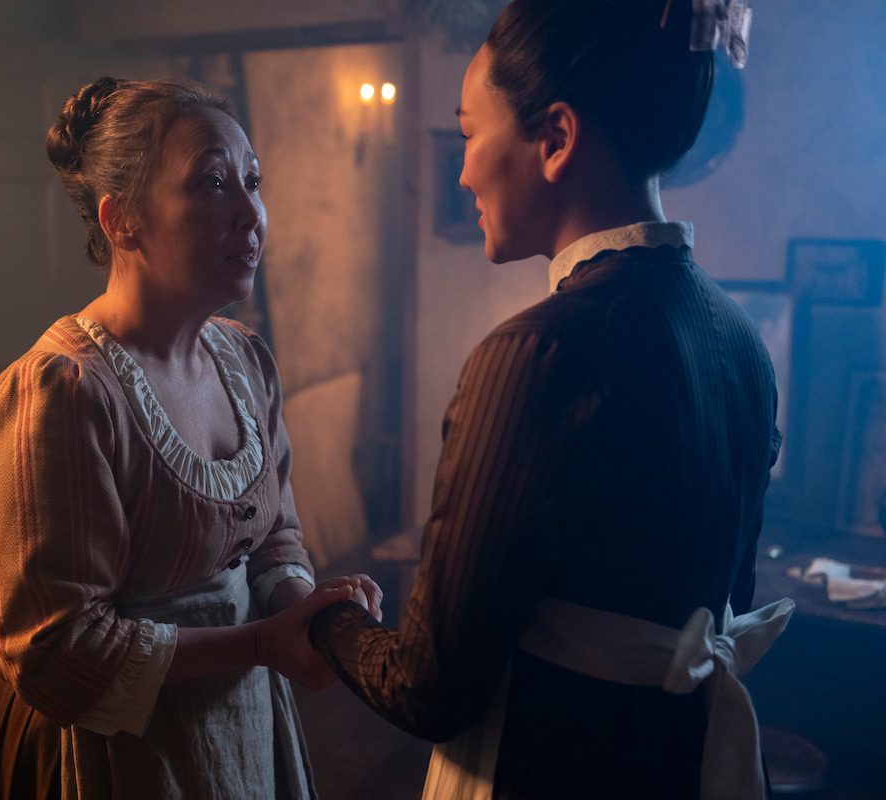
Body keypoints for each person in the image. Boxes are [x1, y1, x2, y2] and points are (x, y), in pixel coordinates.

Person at [309, 1, 791, 798]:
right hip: (679, 758)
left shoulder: (540, 352)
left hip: (558, 760)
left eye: (468, 134)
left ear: (556, 139)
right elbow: (724, 604)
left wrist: (319, 615)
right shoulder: (737, 337)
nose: (461, 171)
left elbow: (429, 688)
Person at [0, 76, 379, 800]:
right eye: (212, 184)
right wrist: (255, 643)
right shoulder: (61, 394)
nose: (251, 214)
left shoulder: (245, 360)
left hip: (241, 725)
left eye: (251, 180)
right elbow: (57, 652)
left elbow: (273, 536)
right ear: (124, 222)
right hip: (104, 756)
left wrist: (312, 611)